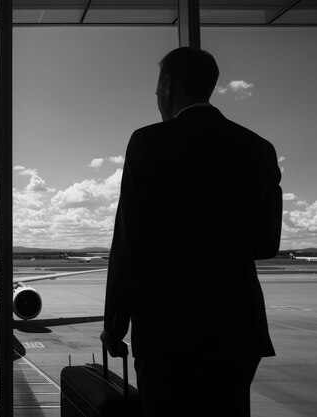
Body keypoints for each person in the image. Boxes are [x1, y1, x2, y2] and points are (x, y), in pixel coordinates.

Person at [101, 47, 281, 417]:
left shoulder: (148, 143)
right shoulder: (259, 148)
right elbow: (267, 242)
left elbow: (129, 244)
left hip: (167, 329)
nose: (156, 98)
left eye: (156, 89)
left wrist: (115, 325)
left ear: (168, 86)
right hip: (237, 327)